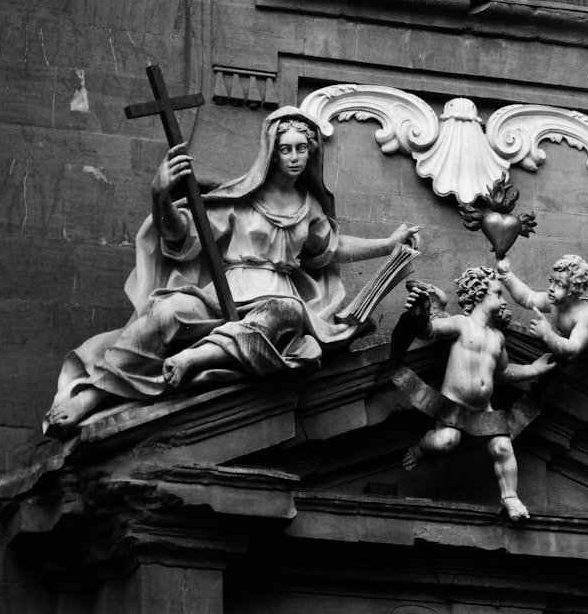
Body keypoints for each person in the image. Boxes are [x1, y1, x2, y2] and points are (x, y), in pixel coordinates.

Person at [45, 107, 420, 433]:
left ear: (311, 153)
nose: (293, 157)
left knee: (287, 313)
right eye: (286, 149)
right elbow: (184, 236)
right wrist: (160, 194)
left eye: (301, 149)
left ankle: (195, 358)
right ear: (272, 154)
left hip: (275, 297)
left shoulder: (309, 208)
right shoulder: (241, 201)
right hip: (225, 291)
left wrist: (387, 245)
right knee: (164, 312)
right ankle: (93, 394)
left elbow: (331, 248)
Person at [401, 267, 555, 520]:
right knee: (446, 441)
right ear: (479, 293)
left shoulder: (497, 338)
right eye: (498, 293)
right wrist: (421, 311)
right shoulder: (462, 324)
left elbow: (503, 373)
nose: (504, 300)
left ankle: (511, 498)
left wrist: (533, 369)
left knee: (503, 447)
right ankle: (420, 449)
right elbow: (429, 331)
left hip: (484, 409)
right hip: (453, 406)